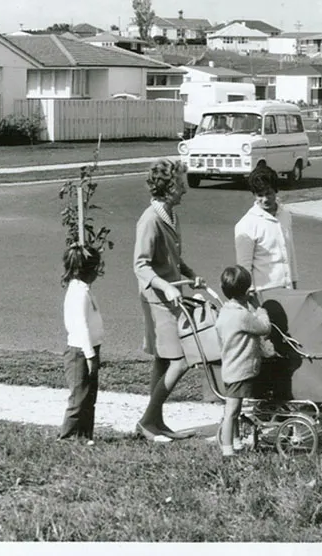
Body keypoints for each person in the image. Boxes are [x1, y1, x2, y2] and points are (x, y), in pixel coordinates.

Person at [133, 158, 203, 443]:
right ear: (169, 187)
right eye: (181, 185)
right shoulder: (150, 220)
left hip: (172, 296)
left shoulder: (170, 215)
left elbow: (173, 257)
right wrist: (167, 286)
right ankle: (148, 421)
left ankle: (156, 421)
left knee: (164, 361)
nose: (185, 190)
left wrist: (190, 274)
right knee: (182, 359)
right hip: (158, 300)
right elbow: (141, 265)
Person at [214, 265, 274, 458]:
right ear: (247, 290)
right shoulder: (242, 316)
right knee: (231, 411)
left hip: (230, 367)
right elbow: (265, 328)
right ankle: (227, 449)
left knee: (235, 409)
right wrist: (259, 308)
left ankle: (236, 441)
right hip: (240, 369)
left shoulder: (225, 312)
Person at [58, 245, 104, 444]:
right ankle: (67, 437)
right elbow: (81, 326)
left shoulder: (83, 289)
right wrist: (90, 355)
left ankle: (85, 435)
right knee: (79, 397)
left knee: (89, 396)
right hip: (80, 352)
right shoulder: (79, 293)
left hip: (90, 348)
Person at [234, 166, 298, 294]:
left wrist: (294, 281)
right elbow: (244, 267)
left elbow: (290, 251)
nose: (265, 199)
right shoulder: (246, 224)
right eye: (260, 195)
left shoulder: (285, 215)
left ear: (275, 190)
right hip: (263, 292)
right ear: (254, 195)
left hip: (287, 289)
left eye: (268, 193)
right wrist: (250, 295)